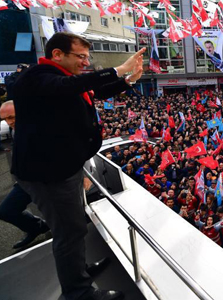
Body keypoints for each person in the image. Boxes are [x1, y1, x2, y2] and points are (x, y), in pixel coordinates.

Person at [11, 32, 145, 300]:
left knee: (74, 229)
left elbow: (93, 91)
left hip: (63, 168)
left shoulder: (62, 81)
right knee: (69, 233)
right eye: (80, 56)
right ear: (57, 54)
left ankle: (78, 272)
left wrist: (127, 82)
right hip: (49, 174)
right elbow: (70, 87)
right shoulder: (37, 78)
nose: (86, 62)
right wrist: (118, 69)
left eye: (88, 57)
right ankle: (78, 293)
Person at [0, 101, 49, 249]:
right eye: (6, 119)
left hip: (47, 182)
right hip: (25, 182)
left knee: (64, 226)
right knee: (5, 211)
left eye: (12, 116)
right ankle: (37, 227)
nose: (10, 121)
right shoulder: (14, 130)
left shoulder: (41, 127)